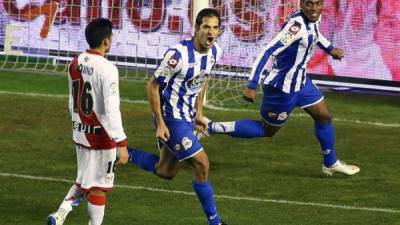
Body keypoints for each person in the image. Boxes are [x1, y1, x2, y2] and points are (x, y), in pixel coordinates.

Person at [204, 0, 360, 176]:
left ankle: (330, 163)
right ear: (301, 4)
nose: (314, 8)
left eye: (318, 4)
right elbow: (267, 52)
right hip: (282, 89)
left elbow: (314, 33)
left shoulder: (314, 17)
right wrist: (252, 84)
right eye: (309, 4)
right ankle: (209, 127)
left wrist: (330, 49)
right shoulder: (295, 28)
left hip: (301, 83)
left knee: (324, 116)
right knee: (267, 130)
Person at [127, 8, 227, 225]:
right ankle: (215, 221)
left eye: (215, 27)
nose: (211, 32)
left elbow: (202, 79)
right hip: (171, 119)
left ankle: (122, 153)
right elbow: (152, 86)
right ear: (197, 29)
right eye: (206, 27)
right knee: (202, 163)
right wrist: (160, 123)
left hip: (188, 117)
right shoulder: (178, 55)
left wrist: (199, 112)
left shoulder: (215, 51)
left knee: (166, 171)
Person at [47, 18, 129, 225]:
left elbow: (71, 100)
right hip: (102, 136)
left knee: (84, 179)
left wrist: (77, 125)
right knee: (99, 186)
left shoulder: (74, 62)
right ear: (106, 41)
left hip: (81, 132)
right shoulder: (108, 69)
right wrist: (122, 143)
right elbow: (111, 109)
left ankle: (60, 214)